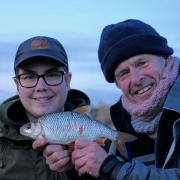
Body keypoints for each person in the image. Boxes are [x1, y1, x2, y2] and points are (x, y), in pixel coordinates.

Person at [70, 19, 180, 179]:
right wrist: (78, 167)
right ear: (117, 84)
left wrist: (116, 169)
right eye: (124, 73)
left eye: (142, 63)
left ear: (165, 58)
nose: (136, 79)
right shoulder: (120, 132)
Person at [0, 36, 96, 180]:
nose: (41, 87)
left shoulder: (97, 140)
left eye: (52, 75)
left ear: (68, 80)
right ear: (17, 84)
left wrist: (78, 172)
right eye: (29, 77)